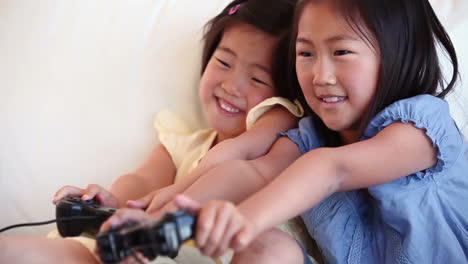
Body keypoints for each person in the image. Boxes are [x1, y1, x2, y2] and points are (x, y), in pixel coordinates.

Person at [142, 0, 467, 263]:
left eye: (341, 52)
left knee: (255, 231)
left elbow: (333, 168)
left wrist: (243, 220)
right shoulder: (308, 137)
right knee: (264, 246)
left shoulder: (422, 126)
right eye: (305, 54)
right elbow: (251, 170)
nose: (320, 75)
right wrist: (163, 217)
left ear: (398, 52)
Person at [0, 0, 304, 263]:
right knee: (83, 252)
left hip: (232, 251)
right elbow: (143, 180)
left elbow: (234, 162)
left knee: (275, 249)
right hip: (155, 254)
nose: (231, 86)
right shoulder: (183, 143)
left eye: (258, 79)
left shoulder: (282, 136)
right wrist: (111, 203)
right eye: (223, 62)